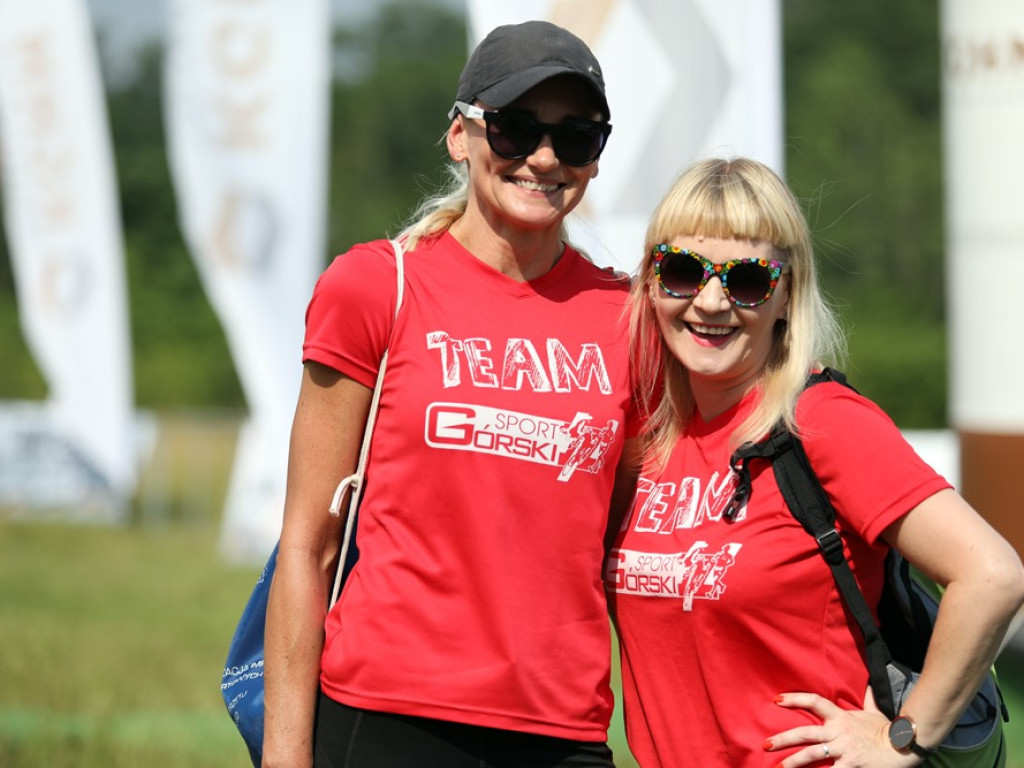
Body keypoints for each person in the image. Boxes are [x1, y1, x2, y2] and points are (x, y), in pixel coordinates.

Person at [262, 20, 640, 768]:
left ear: (596, 158)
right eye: (515, 128)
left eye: (575, 138)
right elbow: (308, 545)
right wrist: (285, 754)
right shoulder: (376, 287)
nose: (542, 157)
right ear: (461, 137)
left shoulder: (629, 319)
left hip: (562, 729)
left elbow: (630, 552)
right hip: (387, 718)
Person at [605, 156, 1024, 767]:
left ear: (786, 295)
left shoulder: (823, 421)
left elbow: (992, 575)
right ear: (650, 281)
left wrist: (901, 739)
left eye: (747, 280)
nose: (713, 301)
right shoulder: (647, 440)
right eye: (683, 271)